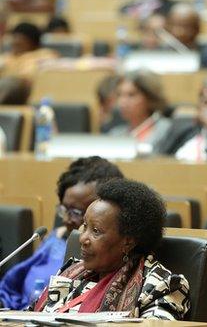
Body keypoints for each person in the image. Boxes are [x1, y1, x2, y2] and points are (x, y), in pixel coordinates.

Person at [33, 178, 190, 319]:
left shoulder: (161, 286)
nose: (82, 238)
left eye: (96, 231)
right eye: (85, 226)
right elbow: (29, 316)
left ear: (128, 242)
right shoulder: (72, 271)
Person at [0, 156, 124, 310]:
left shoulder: (106, 260)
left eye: (77, 212)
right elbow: (13, 288)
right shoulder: (54, 239)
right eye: (65, 209)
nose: (67, 219)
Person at [109, 70, 171, 153]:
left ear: (150, 98)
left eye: (131, 95)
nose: (122, 102)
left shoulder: (167, 131)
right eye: (119, 95)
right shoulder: (115, 134)